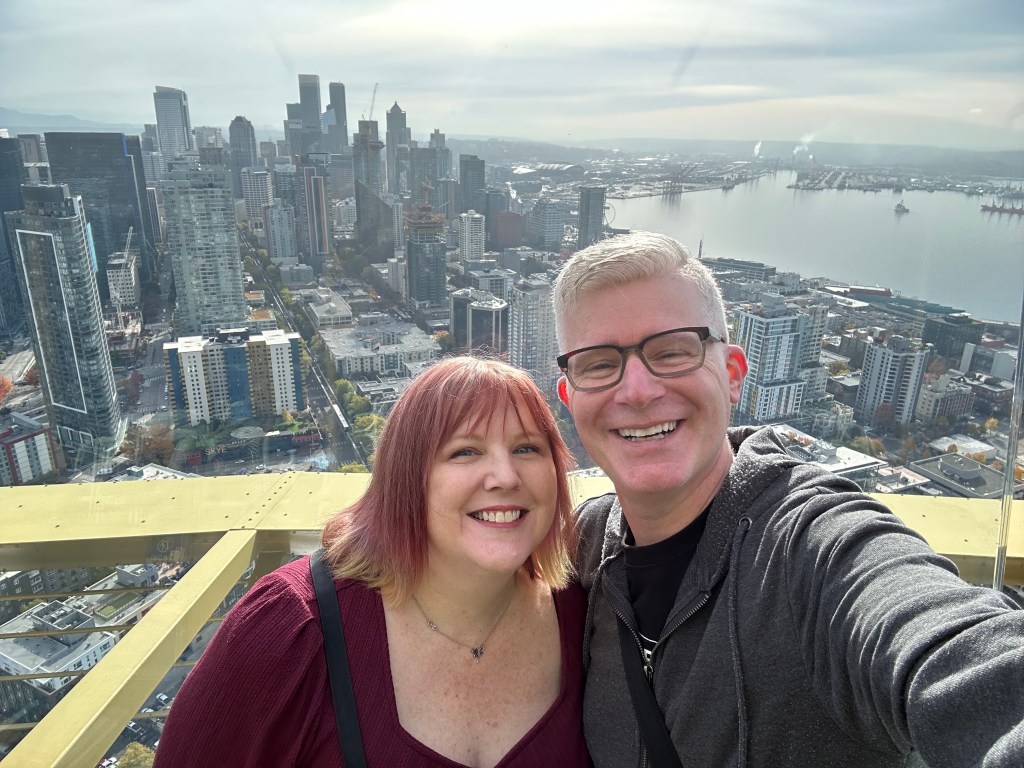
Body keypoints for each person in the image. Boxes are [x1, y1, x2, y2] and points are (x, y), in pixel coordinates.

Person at [553, 231, 1024, 768]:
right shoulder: (582, 547)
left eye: (672, 351)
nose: (636, 390)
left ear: (731, 376)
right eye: (597, 363)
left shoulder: (811, 548)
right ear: (570, 397)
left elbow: (956, 649)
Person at [155, 357, 590, 767]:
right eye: (465, 452)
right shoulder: (291, 628)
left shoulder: (583, 609)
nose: (506, 477)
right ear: (407, 479)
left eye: (527, 449)